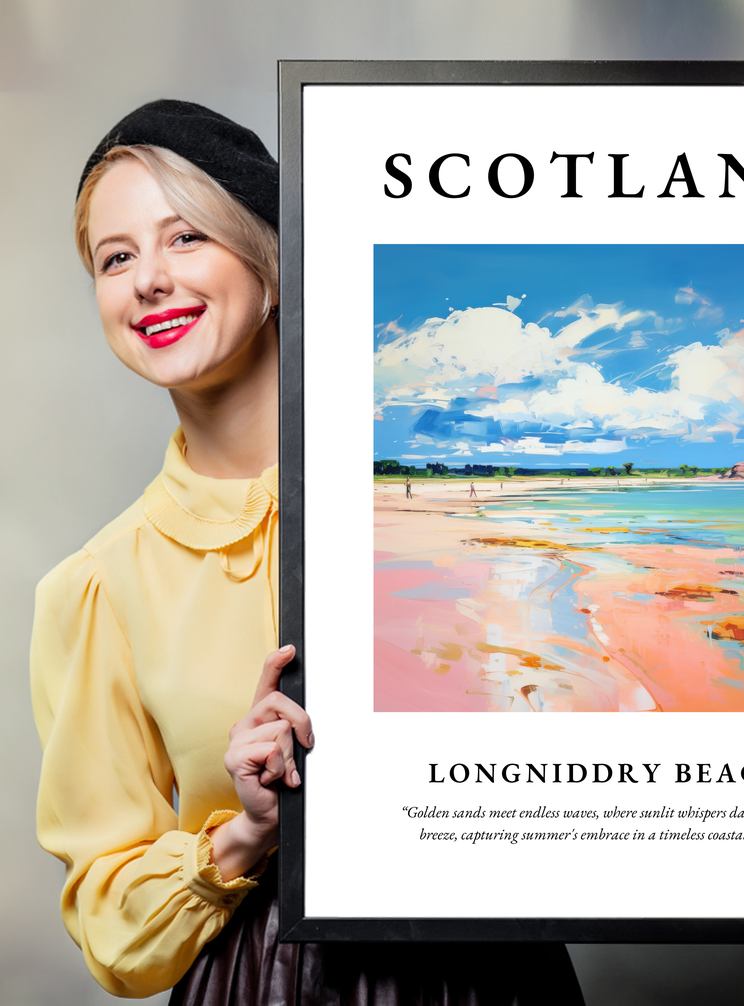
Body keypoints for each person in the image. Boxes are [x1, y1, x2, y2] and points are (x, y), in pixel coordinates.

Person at [30, 100, 585, 1004]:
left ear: (273, 264)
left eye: (186, 238)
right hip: (263, 981)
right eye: (116, 257)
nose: (148, 281)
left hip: (493, 972)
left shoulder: (438, 515)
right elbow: (110, 924)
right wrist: (244, 832)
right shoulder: (97, 587)